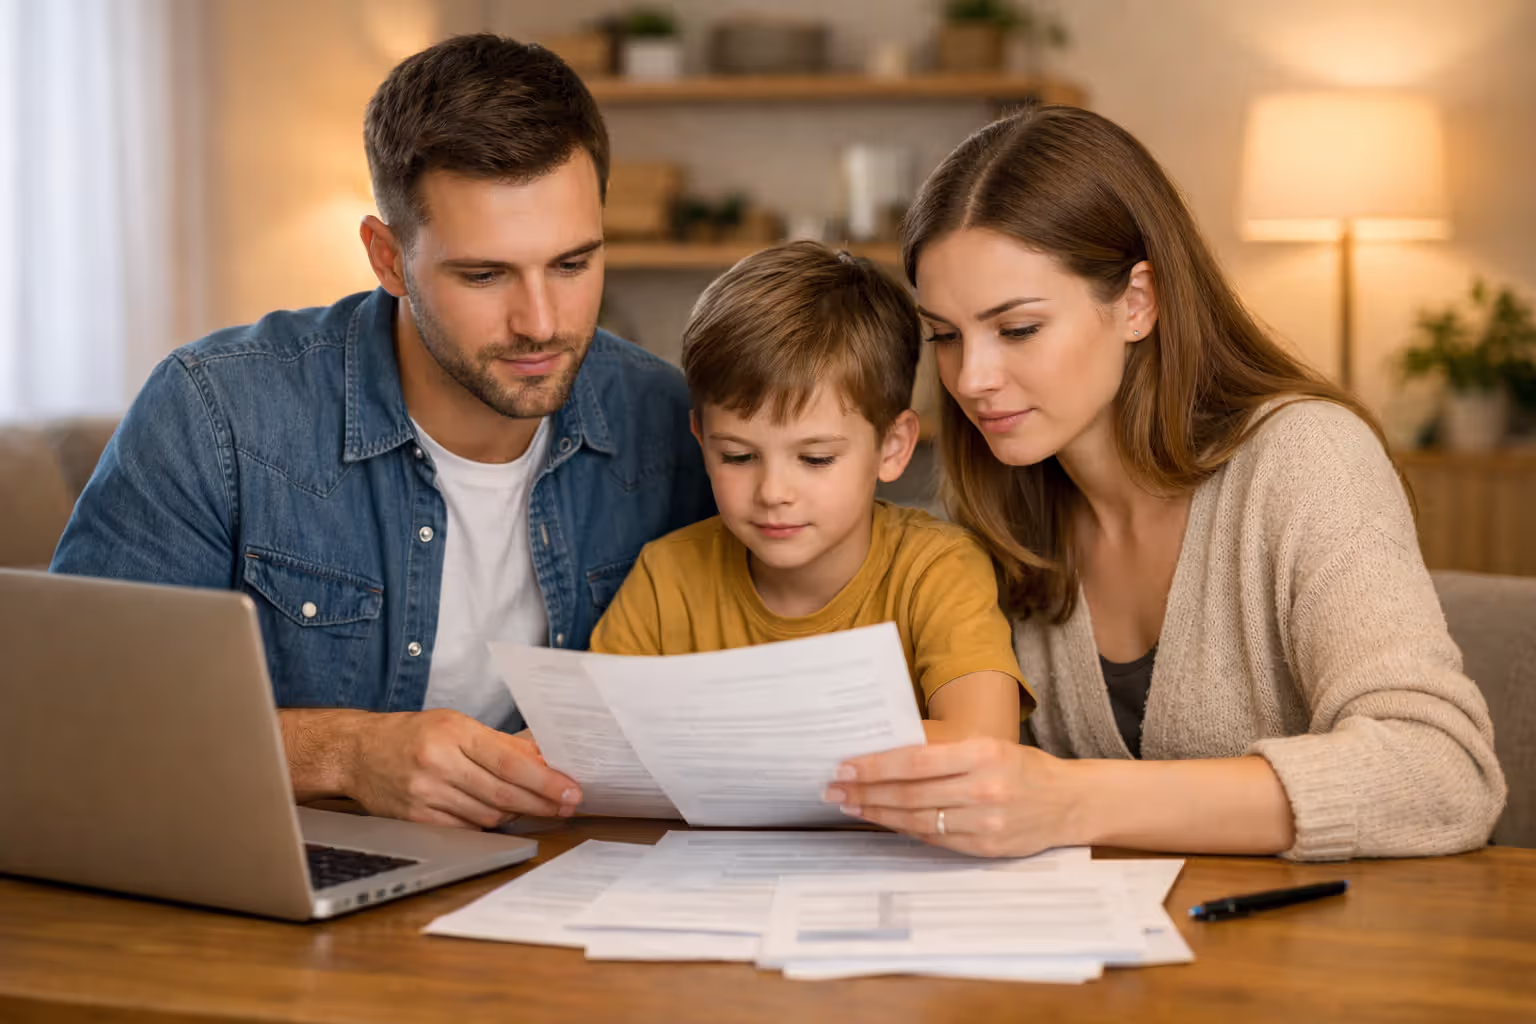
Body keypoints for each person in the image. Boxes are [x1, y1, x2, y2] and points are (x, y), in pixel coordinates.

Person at [50, 35, 713, 830]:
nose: (542, 323)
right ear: (388, 258)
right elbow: (78, 714)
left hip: (562, 884)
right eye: (485, 274)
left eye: (573, 265)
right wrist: (348, 754)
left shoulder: (667, 423)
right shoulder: (216, 412)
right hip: (298, 901)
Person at [822, 106, 1506, 861]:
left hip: (1326, 958)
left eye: (1016, 330)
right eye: (945, 337)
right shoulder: (994, 510)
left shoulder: (1306, 458)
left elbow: (1443, 774)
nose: (972, 379)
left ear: (1137, 303)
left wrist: (1071, 799)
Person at [590, 242, 1029, 742]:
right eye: (737, 456)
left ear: (892, 446)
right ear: (701, 440)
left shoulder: (937, 571)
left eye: (815, 459)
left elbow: (985, 745)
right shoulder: (666, 579)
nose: (773, 492)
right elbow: (592, 742)